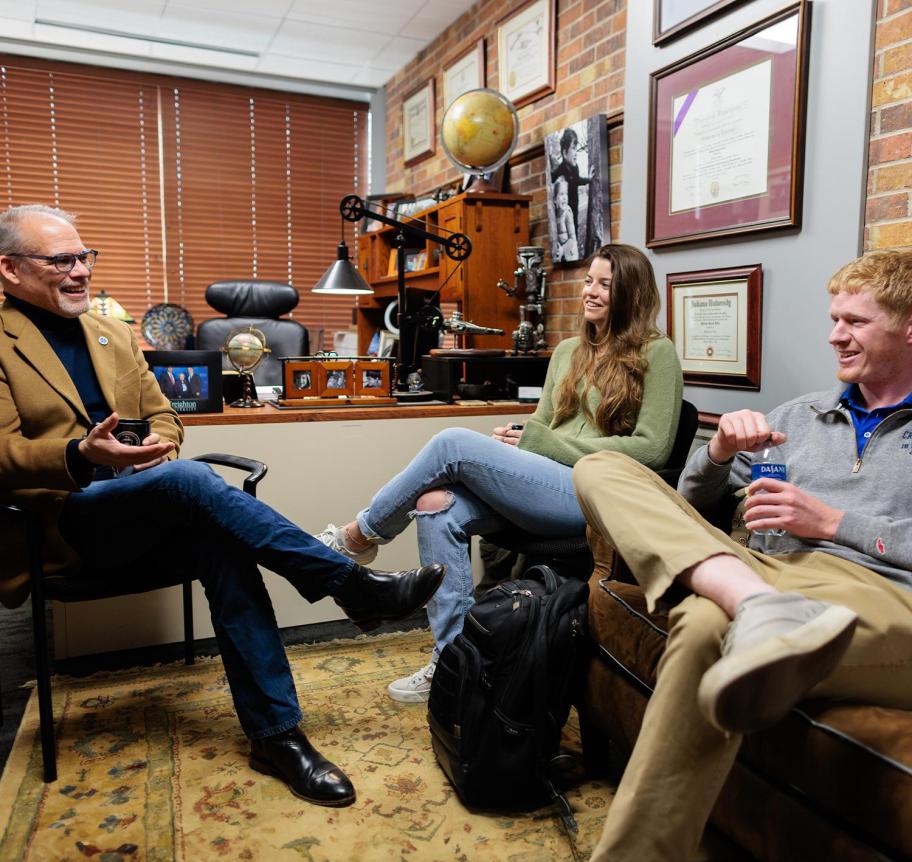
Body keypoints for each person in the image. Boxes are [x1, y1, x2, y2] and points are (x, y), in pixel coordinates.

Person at [0, 204, 446, 807]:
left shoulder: (109, 333)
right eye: (62, 260)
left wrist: (157, 450)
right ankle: (349, 584)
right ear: (10, 269)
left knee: (222, 543)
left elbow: (164, 413)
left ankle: (277, 737)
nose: (80, 271)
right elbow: (3, 453)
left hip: (141, 507)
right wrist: (84, 455)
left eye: (85, 256)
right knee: (191, 483)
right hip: (61, 521)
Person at [571, 249, 912, 861]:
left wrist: (835, 522)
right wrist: (720, 452)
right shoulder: (799, 417)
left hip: (883, 595)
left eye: (855, 322)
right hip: (769, 572)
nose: (835, 335)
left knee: (704, 623)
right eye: (834, 318)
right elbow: (685, 505)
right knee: (602, 467)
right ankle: (754, 603)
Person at [319, 243, 684, 702]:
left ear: (630, 292)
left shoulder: (658, 353)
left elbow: (651, 450)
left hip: (592, 497)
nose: (590, 291)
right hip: (544, 485)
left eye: (605, 285)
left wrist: (541, 443)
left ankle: (357, 536)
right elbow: (545, 428)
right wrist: (518, 440)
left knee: (452, 443)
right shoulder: (569, 351)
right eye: (589, 280)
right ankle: (453, 663)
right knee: (434, 503)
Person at [550, 127, 590, 261]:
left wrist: (588, 179)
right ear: (564, 151)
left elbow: (577, 180)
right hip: (562, 217)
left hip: (574, 213)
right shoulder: (557, 173)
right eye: (573, 148)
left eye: (576, 148)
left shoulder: (576, 168)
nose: (575, 152)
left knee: (574, 239)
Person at [552, 176, 579, 263]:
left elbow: (572, 238)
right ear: (555, 200)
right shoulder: (554, 215)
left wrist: (563, 250)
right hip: (560, 255)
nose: (565, 197)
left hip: (570, 253)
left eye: (566, 194)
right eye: (561, 194)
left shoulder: (567, 213)